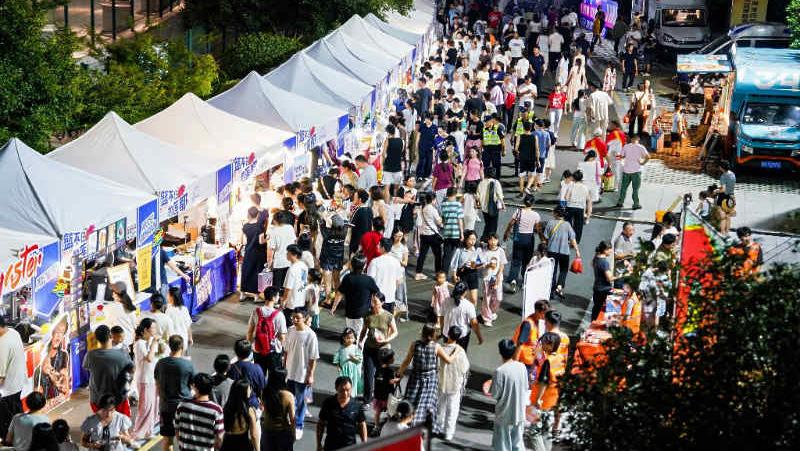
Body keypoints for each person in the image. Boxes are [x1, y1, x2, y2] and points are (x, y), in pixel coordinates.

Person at [397, 324, 453, 427]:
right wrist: (457, 351)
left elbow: (407, 360)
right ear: (433, 334)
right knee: (426, 404)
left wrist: (399, 372)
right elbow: (448, 360)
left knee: (411, 401)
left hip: (415, 378)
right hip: (430, 380)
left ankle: (406, 422)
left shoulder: (415, 345)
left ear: (422, 333)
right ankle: (420, 425)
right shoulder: (436, 347)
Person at [82, 325, 133, 417]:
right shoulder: (123, 354)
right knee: (122, 424)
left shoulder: (90, 355)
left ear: (97, 339)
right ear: (111, 336)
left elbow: (86, 367)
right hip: (118, 399)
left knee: (102, 422)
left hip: (97, 399)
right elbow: (131, 370)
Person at [283, 308, 319, 440]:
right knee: (289, 398)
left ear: (304, 318)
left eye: (297, 317)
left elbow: (313, 358)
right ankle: (289, 420)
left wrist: (310, 375)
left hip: (302, 374)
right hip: (289, 372)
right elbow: (286, 351)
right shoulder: (290, 330)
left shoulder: (311, 335)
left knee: (301, 401)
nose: (294, 320)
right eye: (293, 317)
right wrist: (284, 367)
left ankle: (298, 425)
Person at [154, 335, 194, 450]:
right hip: (183, 406)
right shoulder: (187, 365)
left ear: (169, 346)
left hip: (165, 406)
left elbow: (157, 384)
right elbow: (193, 385)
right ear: (182, 346)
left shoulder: (160, 363)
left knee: (167, 440)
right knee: (184, 440)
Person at [490, 339, 529, 451]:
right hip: (519, 411)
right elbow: (526, 386)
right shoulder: (522, 367)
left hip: (504, 412)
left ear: (500, 352)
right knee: (517, 443)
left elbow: (495, 394)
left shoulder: (500, 371)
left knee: (503, 444)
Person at [529, 332, 565, 451]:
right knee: (546, 431)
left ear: (550, 345)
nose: (542, 344)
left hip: (543, 400)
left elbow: (543, 382)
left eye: (544, 343)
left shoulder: (547, 361)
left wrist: (537, 400)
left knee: (534, 432)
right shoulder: (560, 358)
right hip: (553, 399)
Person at [360, 293, 398, 403]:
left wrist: (386, 340)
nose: (373, 304)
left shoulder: (388, 316)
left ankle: (382, 398)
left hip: (382, 351)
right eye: (372, 301)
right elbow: (364, 330)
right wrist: (360, 342)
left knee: (381, 375)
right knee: (368, 374)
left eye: (375, 302)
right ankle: (367, 399)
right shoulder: (368, 315)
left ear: (382, 303)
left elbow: (395, 332)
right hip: (369, 348)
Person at [332, 254, 380, 341]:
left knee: (350, 333)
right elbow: (376, 294)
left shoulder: (347, 278)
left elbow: (339, 294)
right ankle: (357, 348)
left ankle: (351, 346)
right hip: (363, 314)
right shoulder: (369, 280)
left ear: (352, 265)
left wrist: (334, 307)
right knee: (360, 336)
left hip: (349, 312)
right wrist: (375, 307)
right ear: (364, 266)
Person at [435, 325, 470, 441]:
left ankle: (438, 427)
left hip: (441, 382)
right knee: (452, 409)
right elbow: (465, 368)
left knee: (440, 407)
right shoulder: (460, 351)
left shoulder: (441, 349)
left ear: (448, 334)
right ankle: (448, 433)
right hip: (455, 384)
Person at [174, 373, 224, 451]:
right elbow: (219, 438)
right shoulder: (216, 410)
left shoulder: (182, 406)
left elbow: (177, 430)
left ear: (195, 387)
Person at [539, 206, 581, 299]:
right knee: (563, 270)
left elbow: (545, 237)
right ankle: (559, 286)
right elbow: (573, 238)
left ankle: (551, 291)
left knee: (552, 271)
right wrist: (577, 250)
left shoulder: (550, 223)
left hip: (551, 250)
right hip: (564, 251)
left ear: (556, 213)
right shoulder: (567, 225)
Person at [317, 376, 367, 451]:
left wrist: (365, 444)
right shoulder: (328, 403)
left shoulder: (357, 405)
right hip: (331, 446)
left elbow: (362, 425)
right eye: (342, 390)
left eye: (348, 390)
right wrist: (319, 444)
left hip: (350, 446)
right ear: (336, 388)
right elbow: (321, 424)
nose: (345, 393)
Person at [246, 286, 287, 376]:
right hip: (273, 351)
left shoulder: (256, 311)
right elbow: (282, 337)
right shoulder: (279, 315)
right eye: (278, 296)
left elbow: (250, 331)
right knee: (274, 377)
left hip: (258, 349)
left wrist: (251, 345)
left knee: (259, 375)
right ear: (273, 298)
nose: (279, 298)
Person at [504, 194, 540, 292]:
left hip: (518, 238)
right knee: (526, 261)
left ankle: (513, 280)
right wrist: (542, 239)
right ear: (533, 203)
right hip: (529, 238)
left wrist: (506, 233)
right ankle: (525, 281)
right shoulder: (536, 215)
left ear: (524, 201)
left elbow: (511, 223)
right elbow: (538, 229)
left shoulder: (518, 211)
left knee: (516, 260)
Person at [132, 318, 159, 440]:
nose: (155, 330)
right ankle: (138, 432)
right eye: (153, 328)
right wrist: (154, 344)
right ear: (145, 330)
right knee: (145, 407)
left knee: (152, 406)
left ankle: (148, 431)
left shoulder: (150, 342)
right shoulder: (139, 344)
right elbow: (149, 358)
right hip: (144, 379)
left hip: (152, 378)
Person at [0, 315, 26, 439]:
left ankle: (11, 441)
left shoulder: (2, 344)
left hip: (8, 389)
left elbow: (1, 376)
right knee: (17, 414)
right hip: (18, 382)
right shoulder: (13, 332)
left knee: (6, 421)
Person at [260, 368, 295, 451]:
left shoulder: (265, 392)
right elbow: (292, 419)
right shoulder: (288, 396)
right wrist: (293, 434)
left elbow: (263, 409)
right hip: (282, 432)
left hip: (267, 430)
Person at [228, 339, 266, 414]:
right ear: (249, 352)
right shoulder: (257, 368)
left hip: (235, 405)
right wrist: (262, 404)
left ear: (235, 351)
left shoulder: (230, 368)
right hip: (252, 405)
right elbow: (262, 389)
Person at [220, 379, 260, 451]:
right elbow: (254, 434)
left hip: (227, 444)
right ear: (244, 392)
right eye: (249, 389)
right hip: (242, 444)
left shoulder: (227, 408)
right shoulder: (249, 410)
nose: (250, 390)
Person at [617, 134, 650, 210]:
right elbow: (648, 157)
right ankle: (636, 204)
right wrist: (642, 163)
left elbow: (621, 156)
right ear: (638, 139)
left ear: (631, 139)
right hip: (636, 171)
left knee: (623, 188)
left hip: (626, 170)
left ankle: (620, 202)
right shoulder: (641, 147)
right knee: (635, 189)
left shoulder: (626, 146)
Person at [415, 192, 444, 280]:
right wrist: (442, 221)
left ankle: (418, 273)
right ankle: (437, 273)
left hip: (424, 234)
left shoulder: (423, 208)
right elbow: (439, 222)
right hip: (432, 235)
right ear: (433, 200)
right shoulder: (433, 209)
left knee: (422, 255)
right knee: (438, 255)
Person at [241, 206, 268, 300]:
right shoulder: (259, 226)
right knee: (257, 272)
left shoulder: (245, 226)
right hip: (258, 252)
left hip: (248, 251)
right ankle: (256, 296)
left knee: (246, 271)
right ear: (258, 215)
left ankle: (242, 293)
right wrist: (267, 239)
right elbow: (261, 241)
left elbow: (244, 242)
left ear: (248, 214)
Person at [481, 234, 507, 327]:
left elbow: (502, 264)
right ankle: (487, 318)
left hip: (498, 278)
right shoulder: (484, 251)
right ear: (488, 241)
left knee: (498, 298)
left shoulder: (500, 251)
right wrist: (488, 265)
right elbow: (479, 264)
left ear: (497, 240)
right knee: (487, 298)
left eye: (495, 239)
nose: (493, 242)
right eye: (491, 240)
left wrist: (498, 276)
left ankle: (492, 311)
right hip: (487, 278)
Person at [267, 211, 297, 290]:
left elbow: (271, 250)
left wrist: (269, 264)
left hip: (278, 263)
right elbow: (294, 243)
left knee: (277, 286)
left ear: (275, 220)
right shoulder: (290, 228)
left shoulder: (273, 231)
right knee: (287, 285)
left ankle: (277, 297)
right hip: (290, 261)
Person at [563, 169, 592, 244]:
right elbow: (588, 199)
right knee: (578, 225)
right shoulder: (585, 187)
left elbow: (566, 197)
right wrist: (588, 215)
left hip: (570, 207)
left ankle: (568, 238)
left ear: (574, 178)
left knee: (568, 223)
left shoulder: (571, 185)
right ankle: (576, 241)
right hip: (580, 208)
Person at [440, 187, 465, 272]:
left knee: (447, 255)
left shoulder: (443, 204)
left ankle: (444, 273)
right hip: (456, 232)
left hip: (447, 233)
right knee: (459, 254)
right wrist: (462, 233)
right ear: (455, 194)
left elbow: (443, 219)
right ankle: (458, 274)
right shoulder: (458, 205)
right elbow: (460, 220)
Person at [333, 328, 363, 398]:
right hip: (344, 369)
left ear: (355, 339)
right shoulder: (341, 348)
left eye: (352, 338)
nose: (350, 340)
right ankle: (344, 394)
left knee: (353, 382)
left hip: (353, 369)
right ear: (343, 338)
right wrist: (338, 367)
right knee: (344, 382)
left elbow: (360, 359)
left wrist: (354, 358)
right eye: (348, 338)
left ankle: (352, 395)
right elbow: (337, 359)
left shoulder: (355, 348)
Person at [591, 241, 615, 321]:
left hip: (597, 288)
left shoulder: (596, 259)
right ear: (605, 250)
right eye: (610, 249)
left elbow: (592, 264)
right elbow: (609, 278)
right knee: (604, 311)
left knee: (596, 308)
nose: (611, 251)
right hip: (604, 290)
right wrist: (623, 275)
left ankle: (593, 323)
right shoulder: (604, 263)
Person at [282, 245, 309, 314]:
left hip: (292, 303)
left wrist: (284, 300)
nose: (286, 254)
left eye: (288, 253)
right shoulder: (304, 266)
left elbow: (288, 288)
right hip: (301, 300)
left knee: (289, 319)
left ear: (295, 255)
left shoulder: (292, 269)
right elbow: (305, 282)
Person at [477, 177, 505, 243]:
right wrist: (503, 204)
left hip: (484, 207)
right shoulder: (496, 182)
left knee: (487, 224)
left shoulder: (481, 182)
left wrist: (479, 202)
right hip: (493, 207)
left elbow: (478, 194)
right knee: (493, 225)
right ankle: (491, 240)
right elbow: (500, 195)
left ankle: (484, 239)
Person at [165, 287, 192, 351]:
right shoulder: (185, 309)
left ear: (172, 297)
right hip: (184, 341)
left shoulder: (169, 310)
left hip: (174, 342)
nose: (166, 296)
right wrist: (190, 338)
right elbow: (188, 326)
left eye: (168, 294)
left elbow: (167, 327)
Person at [515, 121, 539, 195]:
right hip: (531, 158)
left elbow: (516, 148)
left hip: (523, 158)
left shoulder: (519, 136)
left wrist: (518, 153)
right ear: (531, 128)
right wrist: (537, 160)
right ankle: (527, 187)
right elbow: (537, 149)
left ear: (523, 128)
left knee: (522, 175)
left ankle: (521, 191)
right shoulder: (534, 137)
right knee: (532, 175)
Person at [349, 190, 373, 257]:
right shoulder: (369, 209)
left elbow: (352, 224)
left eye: (355, 197)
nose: (353, 199)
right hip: (366, 240)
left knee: (354, 258)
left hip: (357, 241)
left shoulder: (359, 210)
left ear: (359, 199)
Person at [482, 114, 505, 180]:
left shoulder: (498, 129)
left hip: (496, 150)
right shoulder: (483, 130)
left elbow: (502, 140)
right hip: (486, 150)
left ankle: (497, 179)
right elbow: (482, 141)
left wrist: (504, 150)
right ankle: (486, 179)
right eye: (485, 122)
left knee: (496, 165)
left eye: (487, 122)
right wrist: (481, 151)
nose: (485, 123)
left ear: (491, 121)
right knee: (485, 165)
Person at [416, 113, 438, 181]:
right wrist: (416, 144)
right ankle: (419, 175)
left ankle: (426, 175)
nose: (425, 120)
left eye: (426, 118)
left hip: (430, 147)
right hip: (422, 146)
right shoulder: (422, 125)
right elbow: (418, 135)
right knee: (422, 161)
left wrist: (434, 147)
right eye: (425, 118)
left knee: (429, 161)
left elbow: (436, 138)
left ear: (430, 119)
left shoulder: (434, 127)